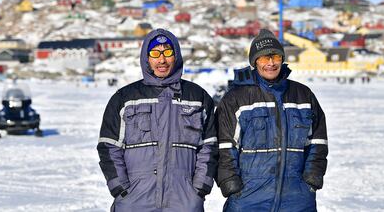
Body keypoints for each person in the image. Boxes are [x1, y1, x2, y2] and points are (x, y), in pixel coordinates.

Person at [97, 28, 218, 212]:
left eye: (168, 53)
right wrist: (121, 189)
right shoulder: (125, 98)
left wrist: (199, 190)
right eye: (155, 53)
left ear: (176, 55)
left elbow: (209, 147)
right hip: (135, 202)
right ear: (147, 58)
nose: (162, 60)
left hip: (183, 202)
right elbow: (109, 146)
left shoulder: (197, 97)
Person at [216, 29, 328, 211]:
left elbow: (318, 142)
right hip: (247, 199)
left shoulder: (303, 95)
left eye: (275, 57)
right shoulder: (236, 98)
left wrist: (311, 181)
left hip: (297, 199)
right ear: (255, 62)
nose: (270, 63)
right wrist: (231, 184)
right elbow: (225, 147)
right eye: (263, 58)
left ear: (282, 59)